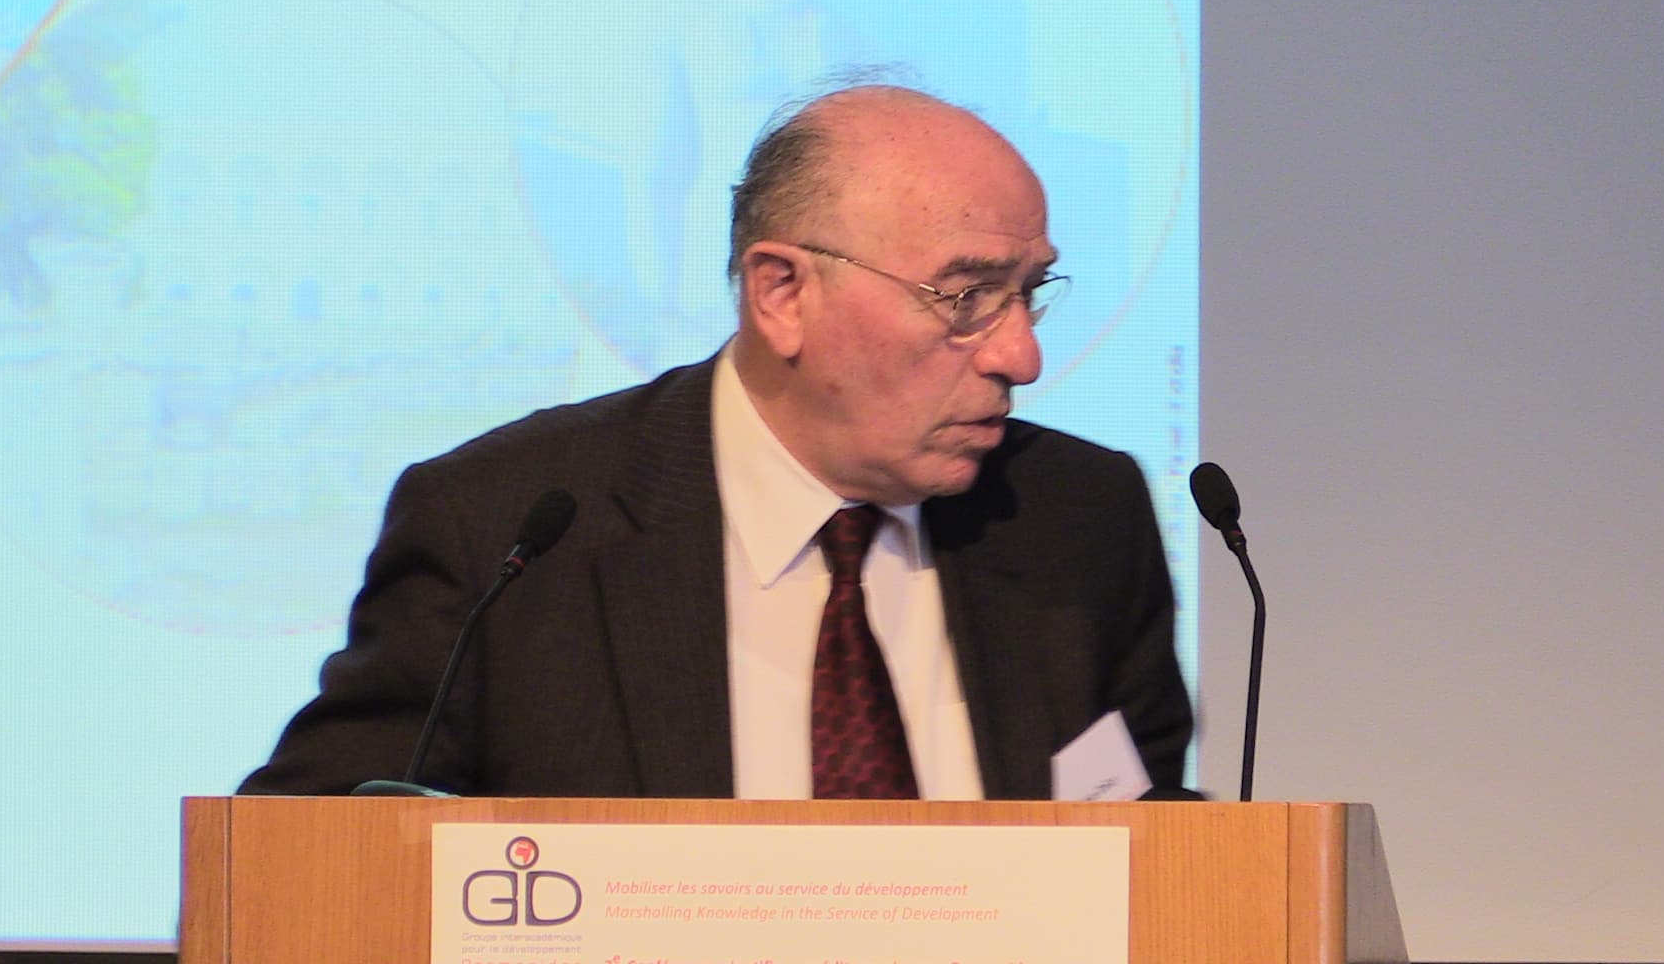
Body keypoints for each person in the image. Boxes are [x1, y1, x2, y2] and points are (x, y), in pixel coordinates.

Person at [239, 85, 1194, 799]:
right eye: (966, 297)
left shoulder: (1079, 517)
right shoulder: (505, 530)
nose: (1021, 356)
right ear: (782, 293)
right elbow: (319, 857)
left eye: (1028, 293)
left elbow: (1146, 854)